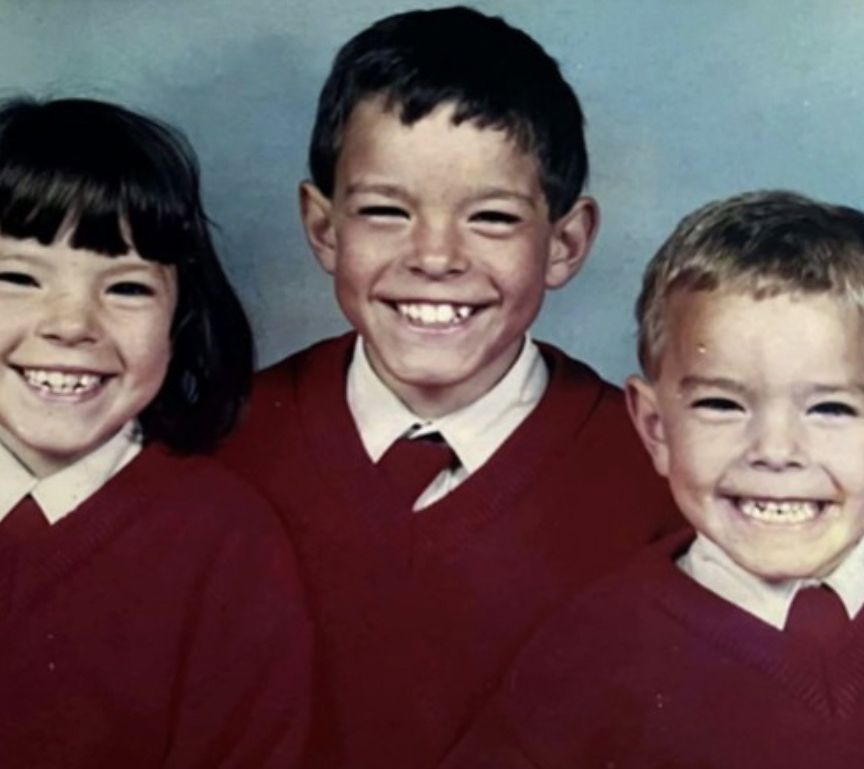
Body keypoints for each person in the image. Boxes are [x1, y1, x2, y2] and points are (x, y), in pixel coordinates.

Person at [217, 7, 681, 767]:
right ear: (324, 229)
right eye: (386, 212)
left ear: (565, 242)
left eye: (492, 217)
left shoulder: (653, 477)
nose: (436, 256)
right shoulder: (229, 440)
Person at [0, 96, 311, 768]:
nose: (72, 325)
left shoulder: (229, 546)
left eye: (126, 289)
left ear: (179, 324)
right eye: (18, 277)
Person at [442, 190, 864, 768]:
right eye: (721, 404)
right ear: (655, 427)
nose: (775, 451)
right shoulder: (590, 648)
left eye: (830, 409)